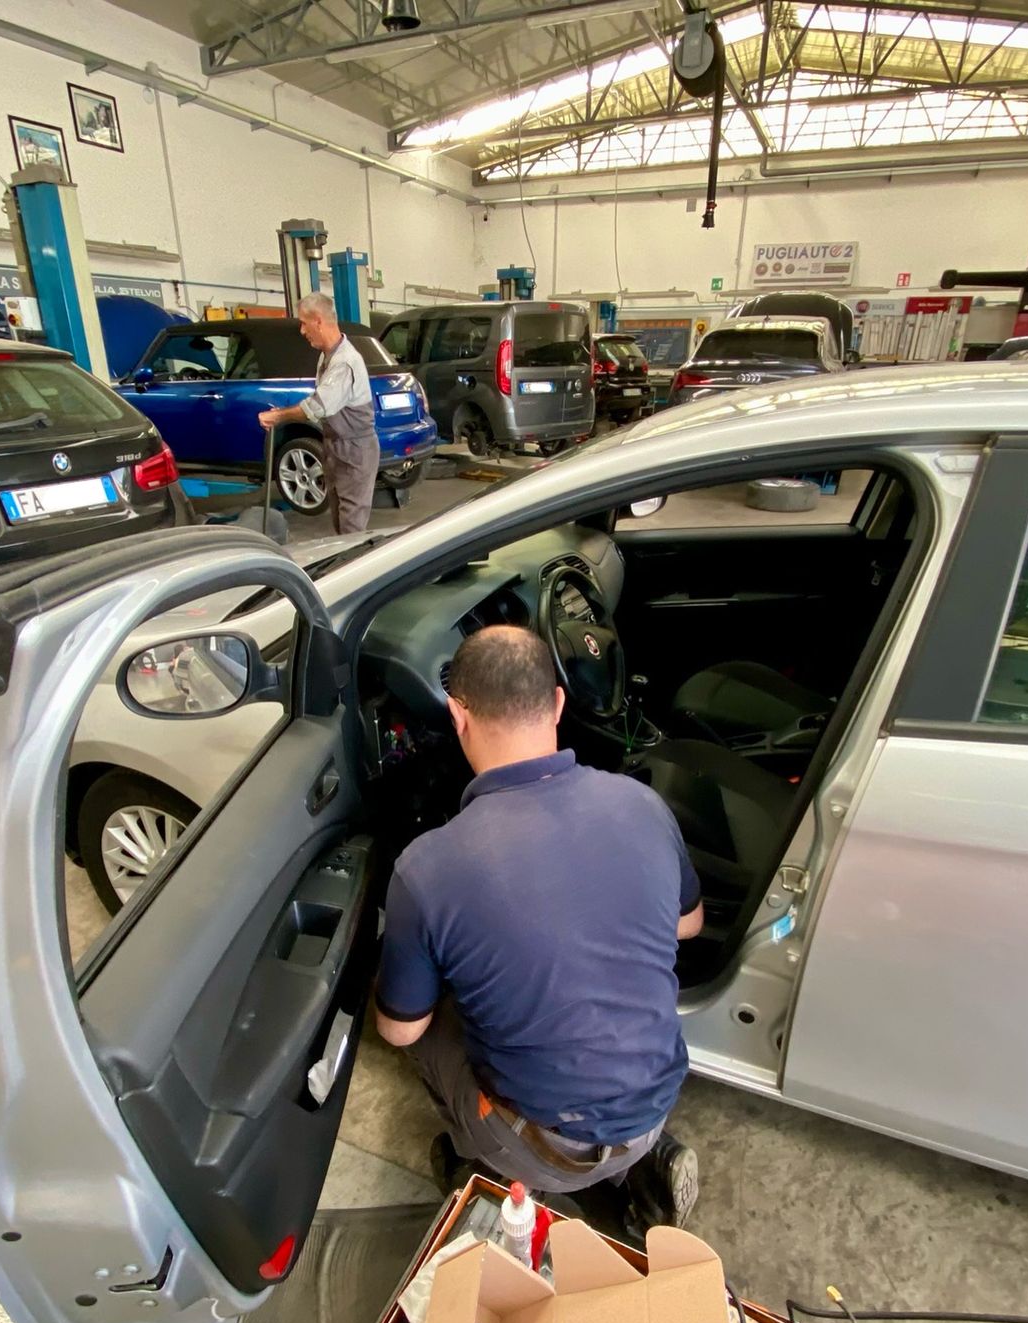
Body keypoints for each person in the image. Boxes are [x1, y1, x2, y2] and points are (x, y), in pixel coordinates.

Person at [374, 624, 701, 1229]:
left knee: (425, 1027)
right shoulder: (642, 804)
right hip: (655, 1106)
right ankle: (644, 1169)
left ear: (457, 715)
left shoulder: (427, 867)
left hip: (543, 1144)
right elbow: (689, 924)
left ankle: (488, 1168)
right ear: (556, 703)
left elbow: (399, 1030)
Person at [256, 293, 377, 535]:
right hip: (336, 445)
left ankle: (358, 558)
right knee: (341, 521)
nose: (302, 331)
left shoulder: (345, 362)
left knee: (352, 528)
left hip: (354, 450)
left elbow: (318, 407)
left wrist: (279, 416)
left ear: (318, 321)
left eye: (304, 323)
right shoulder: (326, 356)